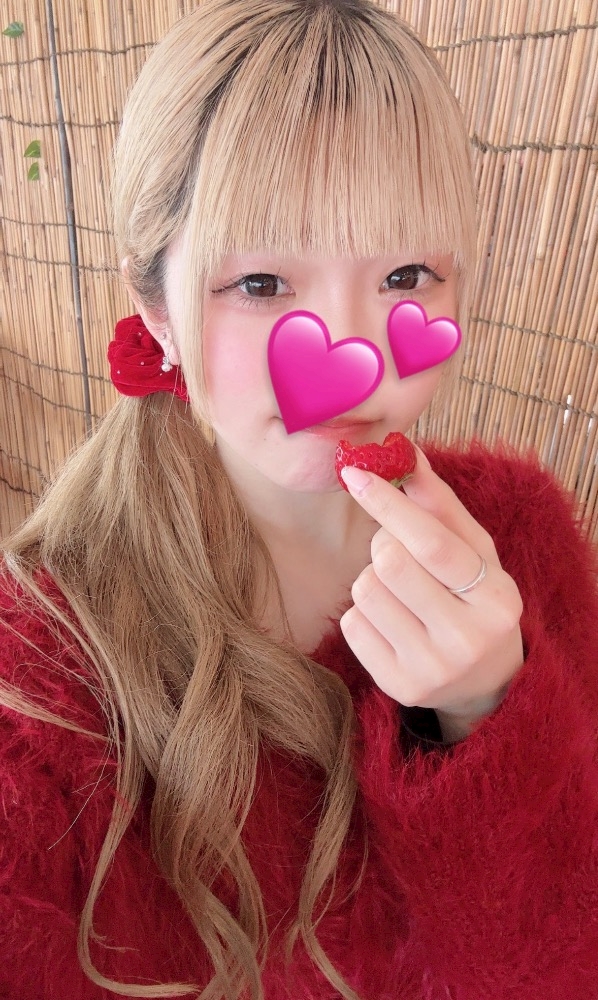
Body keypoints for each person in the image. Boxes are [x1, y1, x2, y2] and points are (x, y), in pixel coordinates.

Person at [1, 0, 597, 997]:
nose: (351, 358)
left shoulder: (524, 537)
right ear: (155, 307)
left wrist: (488, 716)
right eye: (263, 283)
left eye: (405, 273)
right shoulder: (42, 672)